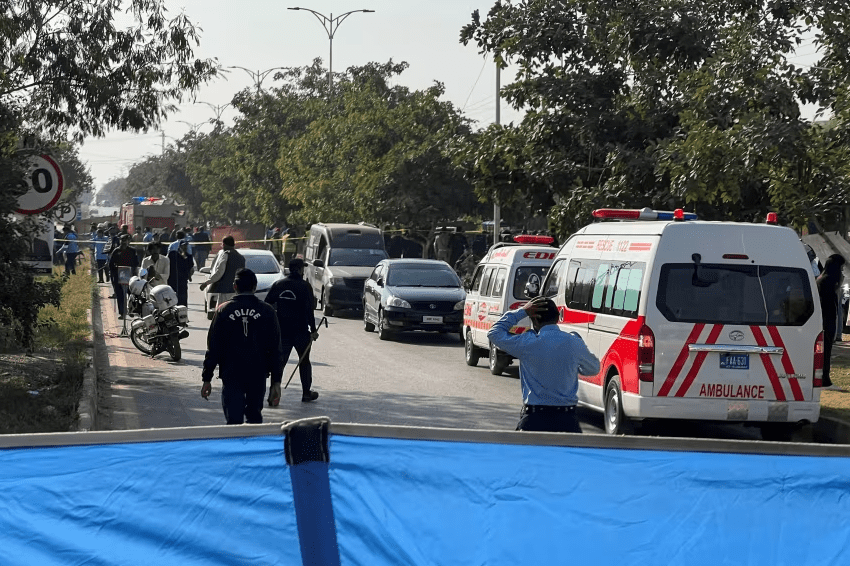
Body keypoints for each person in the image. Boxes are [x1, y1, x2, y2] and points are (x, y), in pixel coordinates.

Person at [488, 296, 600, 433]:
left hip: (534, 420)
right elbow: (593, 368)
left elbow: (494, 333)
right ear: (557, 318)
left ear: (534, 320)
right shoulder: (573, 342)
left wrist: (523, 311)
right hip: (567, 421)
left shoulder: (527, 342)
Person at [201, 268, 283, 424]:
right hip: (257, 373)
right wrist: (276, 382)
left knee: (233, 421)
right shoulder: (267, 311)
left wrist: (207, 378)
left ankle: (236, 439)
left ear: (235, 286)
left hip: (232, 373)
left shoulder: (224, 310)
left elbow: (213, 347)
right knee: (254, 419)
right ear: (255, 287)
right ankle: (251, 440)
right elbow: (275, 350)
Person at [264, 258, 320, 403]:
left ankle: (274, 394)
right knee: (304, 361)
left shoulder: (279, 284)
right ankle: (306, 393)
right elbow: (309, 311)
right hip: (301, 331)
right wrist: (313, 330)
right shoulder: (305, 286)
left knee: (279, 363)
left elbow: (267, 304)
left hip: (282, 331)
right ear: (300, 270)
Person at [817, 253, 846, 390]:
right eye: (841, 268)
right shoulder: (828, 282)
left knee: (825, 351)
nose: (842, 272)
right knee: (826, 351)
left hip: (825, 320)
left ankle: (825, 378)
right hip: (826, 321)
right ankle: (825, 379)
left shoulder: (822, 279)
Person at [200, 236, 245, 307]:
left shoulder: (225, 255)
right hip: (237, 291)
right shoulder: (241, 257)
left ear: (224, 244)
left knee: (223, 310)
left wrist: (206, 283)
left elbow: (219, 273)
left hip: (226, 291)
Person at [108, 235, 140, 319]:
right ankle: (122, 313)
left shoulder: (132, 251)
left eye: (125, 240)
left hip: (130, 276)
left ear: (128, 241)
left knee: (131, 294)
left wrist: (133, 272)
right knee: (120, 295)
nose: (124, 242)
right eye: (122, 240)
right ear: (120, 241)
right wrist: (114, 272)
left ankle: (131, 310)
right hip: (119, 276)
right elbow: (111, 264)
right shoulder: (116, 251)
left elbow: (136, 263)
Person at [168, 238, 194, 306]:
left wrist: (190, 276)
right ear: (179, 246)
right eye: (183, 246)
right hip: (172, 279)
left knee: (183, 298)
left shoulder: (188, 256)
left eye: (186, 246)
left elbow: (191, 267)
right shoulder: (173, 254)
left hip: (183, 280)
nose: (184, 247)